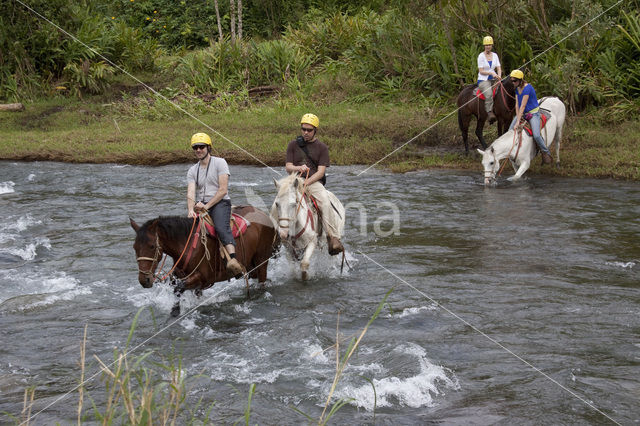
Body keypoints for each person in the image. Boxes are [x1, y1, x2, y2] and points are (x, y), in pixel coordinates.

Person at [285, 113, 343, 255]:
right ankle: (277, 234)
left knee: (325, 201)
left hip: (313, 182)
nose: (305, 132)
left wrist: (307, 182)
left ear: (315, 130)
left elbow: (321, 172)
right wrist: (298, 169)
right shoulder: (293, 145)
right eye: (303, 129)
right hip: (294, 180)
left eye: (309, 130)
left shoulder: (322, 148)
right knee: (280, 201)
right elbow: (288, 167)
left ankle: (332, 236)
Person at [186, 132, 244, 276]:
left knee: (220, 227)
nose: (198, 150)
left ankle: (233, 260)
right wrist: (190, 210)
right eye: (195, 148)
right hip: (201, 204)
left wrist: (207, 206)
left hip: (220, 203)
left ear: (208, 147)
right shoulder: (193, 170)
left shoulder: (220, 162)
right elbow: (191, 192)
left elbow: (223, 190)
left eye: (201, 147)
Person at [508, 69, 553, 164]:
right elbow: (517, 105)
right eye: (512, 80)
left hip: (533, 113)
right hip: (522, 113)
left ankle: (545, 152)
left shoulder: (527, 88)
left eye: (515, 81)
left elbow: (523, 105)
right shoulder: (516, 89)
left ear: (520, 80)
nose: (513, 83)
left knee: (536, 135)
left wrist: (518, 121)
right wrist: (517, 119)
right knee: (510, 131)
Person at [477, 35, 502, 124]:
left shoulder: (495, 55)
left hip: (494, 78)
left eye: (489, 45)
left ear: (492, 46)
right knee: (489, 94)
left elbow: (499, 68)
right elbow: (481, 71)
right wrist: (491, 73)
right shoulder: (481, 56)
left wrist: (499, 76)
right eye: (486, 45)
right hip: (483, 80)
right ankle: (489, 112)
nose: (488, 46)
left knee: (503, 91)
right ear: (484, 46)